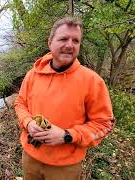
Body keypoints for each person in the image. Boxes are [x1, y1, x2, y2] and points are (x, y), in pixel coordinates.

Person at [14, 16, 115, 180]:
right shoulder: (33, 74)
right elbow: (20, 103)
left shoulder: (92, 81)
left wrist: (66, 135)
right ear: (50, 42)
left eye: (76, 40)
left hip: (65, 168)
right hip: (30, 158)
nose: (70, 45)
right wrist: (29, 123)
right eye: (63, 39)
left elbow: (103, 124)